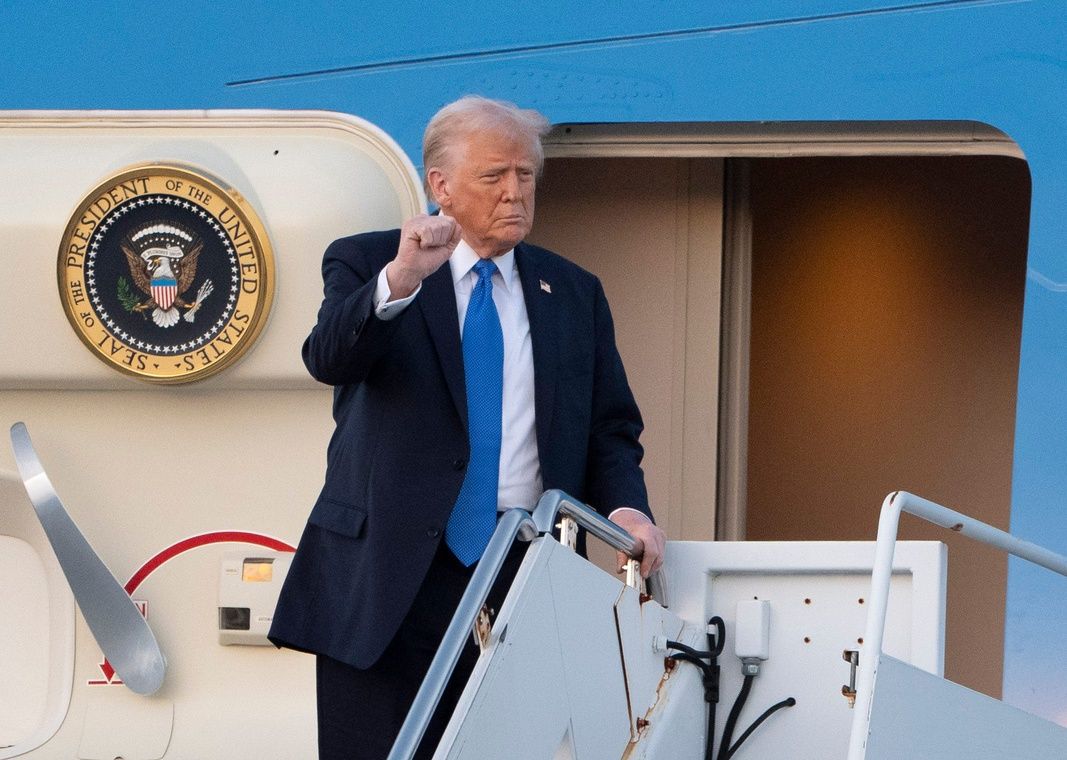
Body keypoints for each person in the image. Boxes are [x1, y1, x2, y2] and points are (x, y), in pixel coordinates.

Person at [268, 95, 666, 760]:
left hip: (519, 566)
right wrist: (401, 280)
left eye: (525, 176)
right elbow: (329, 358)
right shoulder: (369, 262)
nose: (514, 193)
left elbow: (608, 428)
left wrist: (627, 511)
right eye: (494, 177)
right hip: (387, 571)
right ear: (440, 186)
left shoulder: (571, 291)